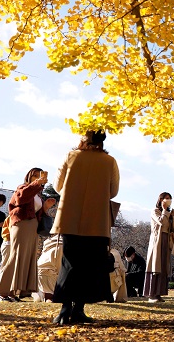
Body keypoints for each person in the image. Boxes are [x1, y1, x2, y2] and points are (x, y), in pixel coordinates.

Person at [52, 130, 120, 324]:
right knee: (90, 265)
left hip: (70, 217)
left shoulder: (70, 156)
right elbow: (113, 191)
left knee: (69, 262)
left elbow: (58, 186)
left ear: (83, 138)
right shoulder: (110, 161)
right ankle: (79, 309)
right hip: (97, 220)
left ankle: (64, 310)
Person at [0, 168, 49, 302]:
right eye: (35, 176)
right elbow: (20, 199)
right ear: (29, 177)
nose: (37, 178)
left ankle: (14, 292)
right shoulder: (22, 187)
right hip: (21, 224)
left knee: (26, 258)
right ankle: (2, 292)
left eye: (39, 176)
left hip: (33, 226)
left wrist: (46, 207)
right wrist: (37, 184)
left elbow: (37, 211)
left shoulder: (38, 195)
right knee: (16, 256)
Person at [144, 192, 174, 303]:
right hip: (157, 241)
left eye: (170, 198)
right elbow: (161, 222)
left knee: (164, 266)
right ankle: (152, 294)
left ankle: (159, 293)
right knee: (156, 265)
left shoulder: (168, 212)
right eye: (166, 198)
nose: (168, 200)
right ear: (160, 199)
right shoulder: (155, 211)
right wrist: (165, 211)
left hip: (166, 241)